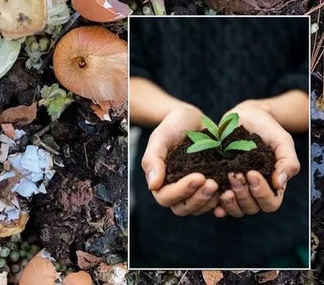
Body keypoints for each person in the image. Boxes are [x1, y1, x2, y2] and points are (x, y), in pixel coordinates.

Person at [130, 17, 309, 268]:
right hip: (164, 238)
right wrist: (172, 112)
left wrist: (269, 110)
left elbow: (313, 79)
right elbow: (124, 73)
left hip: (282, 236)